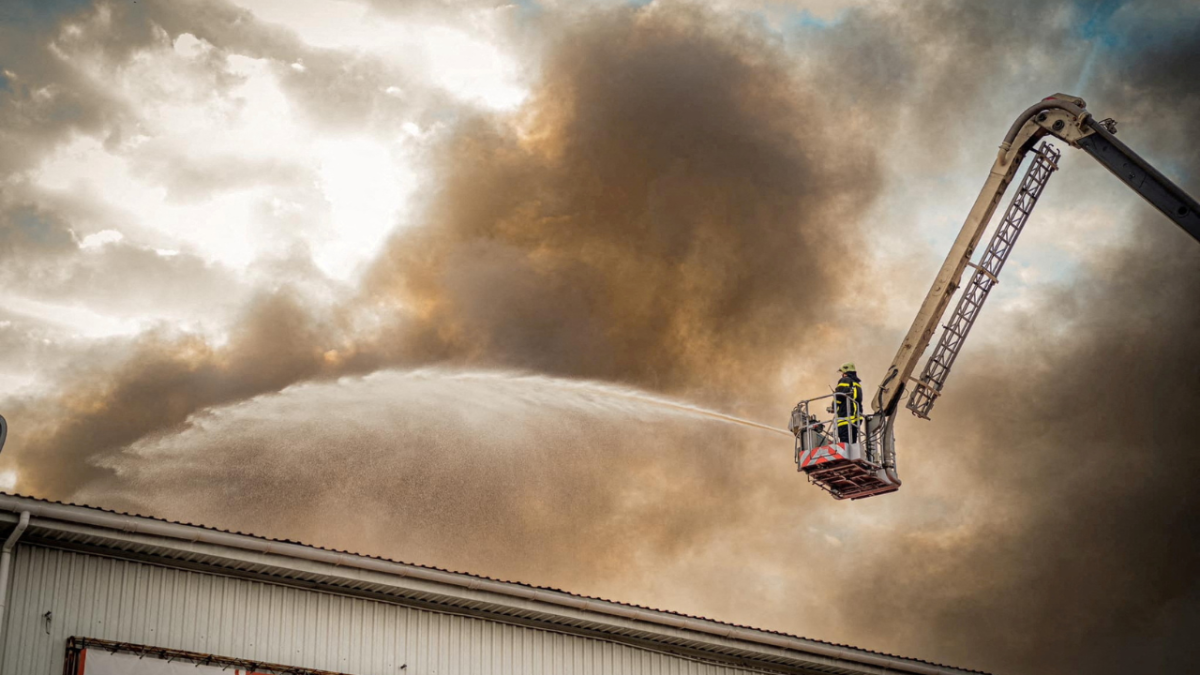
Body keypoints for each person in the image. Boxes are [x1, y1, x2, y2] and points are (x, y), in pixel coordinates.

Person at [834, 362, 863, 443]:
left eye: (842, 372)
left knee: (845, 443)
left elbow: (839, 396)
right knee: (852, 443)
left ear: (845, 372)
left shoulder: (845, 380)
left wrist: (833, 406)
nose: (842, 374)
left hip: (845, 418)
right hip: (855, 418)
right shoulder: (857, 384)